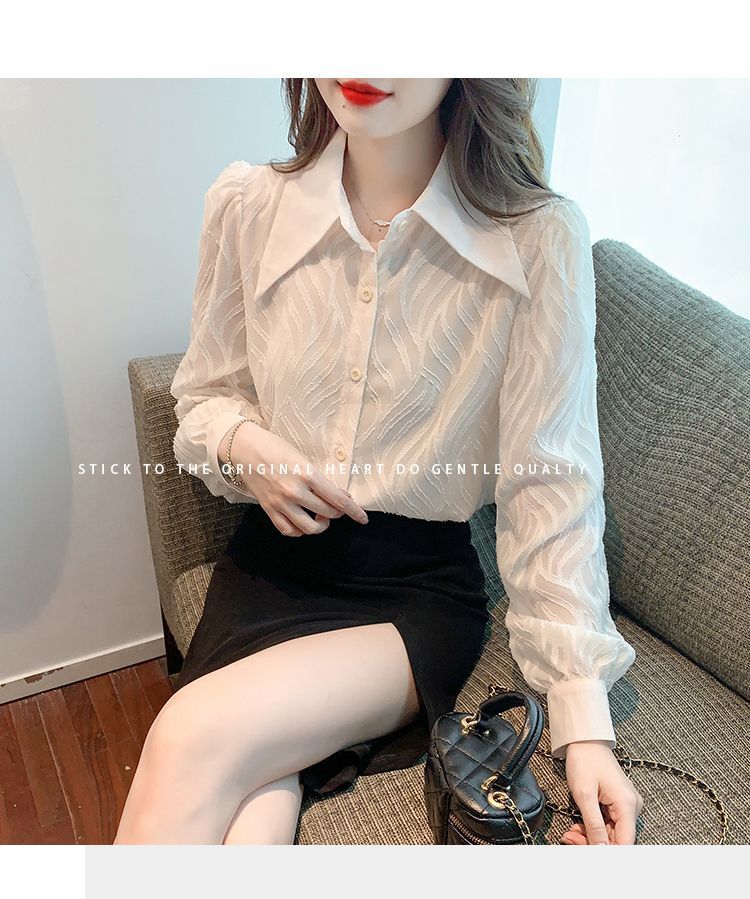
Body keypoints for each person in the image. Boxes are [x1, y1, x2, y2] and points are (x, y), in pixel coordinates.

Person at [114, 78, 644, 845]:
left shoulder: (535, 239)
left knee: (188, 734)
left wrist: (582, 721)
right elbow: (204, 397)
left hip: (412, 592)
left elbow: (551, 486)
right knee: (254, 804)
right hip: (271, 566)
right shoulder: (248, 207)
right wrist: (245, 445)